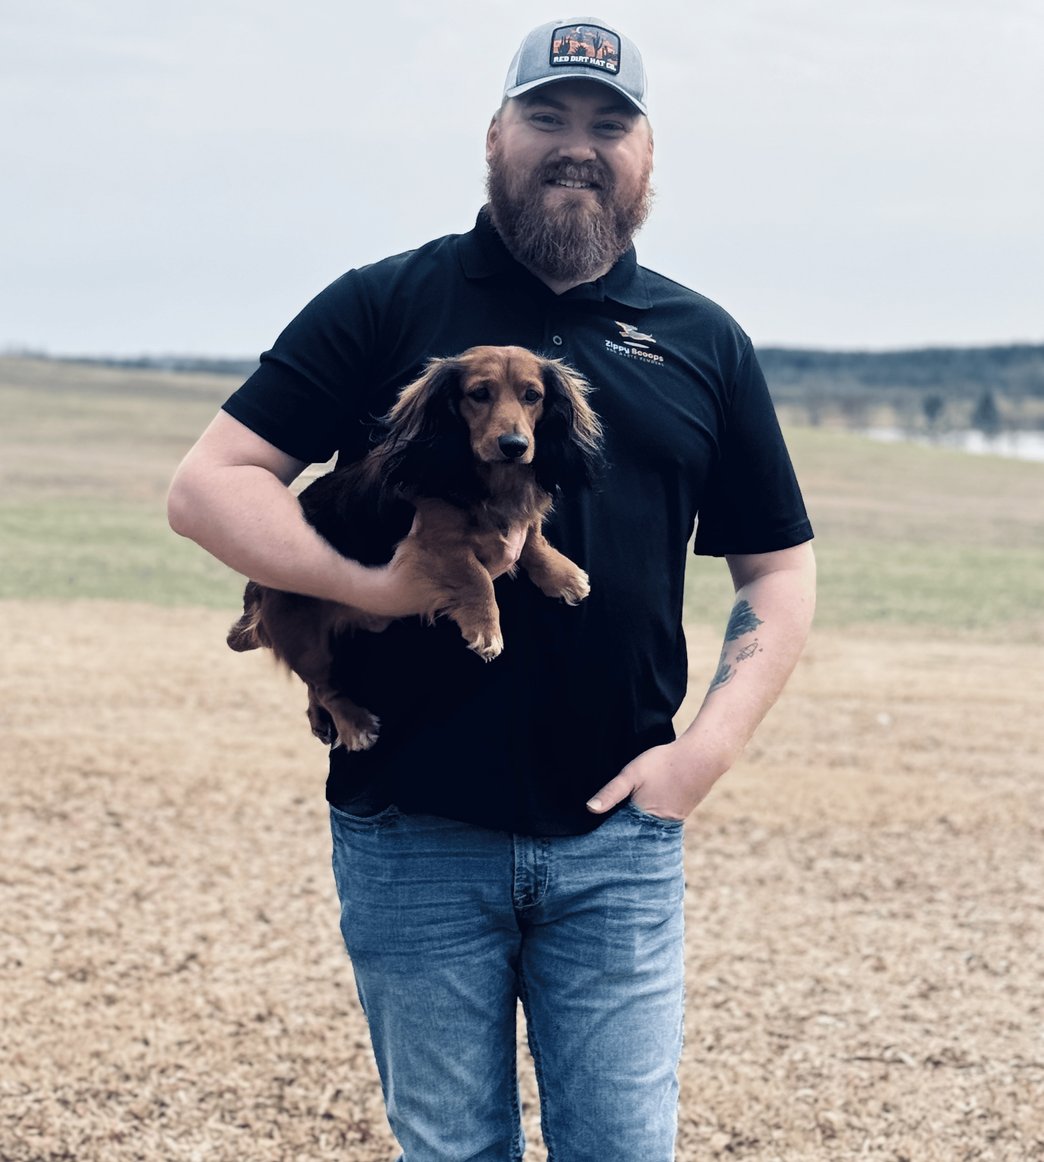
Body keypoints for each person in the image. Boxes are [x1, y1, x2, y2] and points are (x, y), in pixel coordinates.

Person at [168, 16, 815, 1162]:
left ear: (647, 155)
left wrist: (701, 756)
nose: (578, 145)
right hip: (411, 830)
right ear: (494, 135)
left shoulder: (704, 341)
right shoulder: (384, 304)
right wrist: (369, 582)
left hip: (618, 841)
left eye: (608, 124)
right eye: (547, 117)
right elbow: (211, 487)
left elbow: (776, 565)